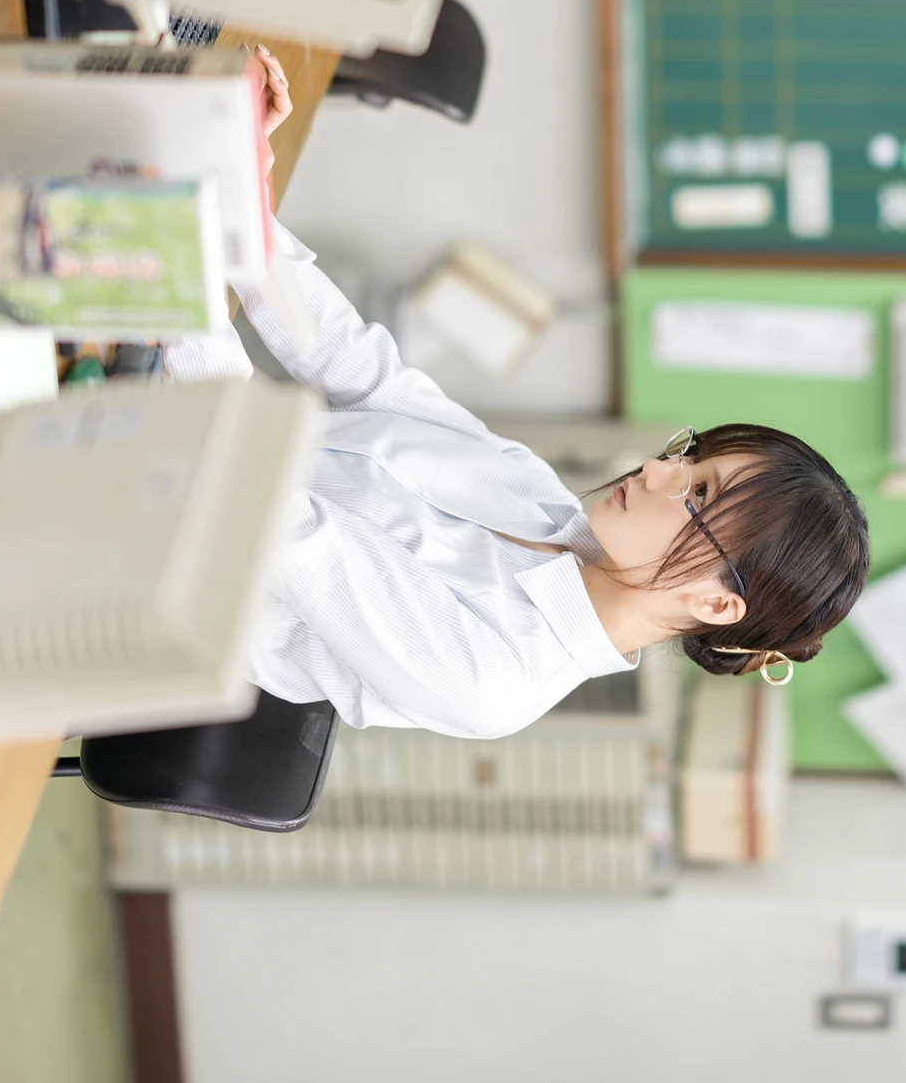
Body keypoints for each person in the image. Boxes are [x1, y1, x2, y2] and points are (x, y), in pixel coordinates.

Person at [164, 47, 870, 740]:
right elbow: (366, 376)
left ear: (715, 603)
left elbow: (264, 510)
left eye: (699, 495)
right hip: (174, 414)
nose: (658, 469)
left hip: (148, 515)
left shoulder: (494, 678)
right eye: (690, 457)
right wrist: (241, 200)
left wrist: (173, 246)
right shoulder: (542, 501)